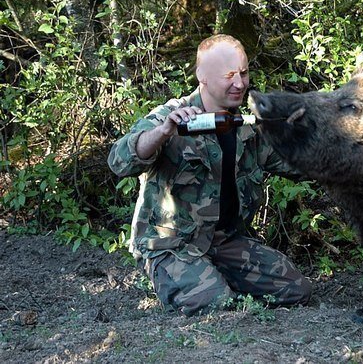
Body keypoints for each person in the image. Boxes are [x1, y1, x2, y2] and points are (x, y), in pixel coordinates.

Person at [107, 34, 311, 315]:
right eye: (229, 75)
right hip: (171, 244)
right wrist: (163, 133)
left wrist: (317, 137)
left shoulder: (248, 125)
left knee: (295, 289)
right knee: (216, 304)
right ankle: (176, 277)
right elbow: (119, 161)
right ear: (202, 76)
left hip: (223, 242)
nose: (239, 83)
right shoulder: (172, 117)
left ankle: (208, 278)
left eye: (243, 73)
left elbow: (298, 166)